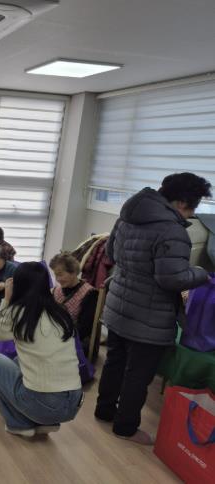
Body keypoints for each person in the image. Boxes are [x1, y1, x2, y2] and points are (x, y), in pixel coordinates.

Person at [94, 172, 211, 445]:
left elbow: (111, 254)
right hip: (149, 315)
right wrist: (201, 273)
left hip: (119, 306)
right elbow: (172, 279)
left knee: (114, 362)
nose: (192, 215)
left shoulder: (128, 215)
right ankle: (125, 428)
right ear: (182, 202)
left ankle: (104, 411)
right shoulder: (172, 230)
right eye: (193, 208)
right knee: (138, 374)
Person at [0, 262, 83, 438]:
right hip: (74, 401)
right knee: (17, 361)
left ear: (18, 285)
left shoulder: (17, 313)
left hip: (46, 404)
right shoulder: (60, 312)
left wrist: (6, 299)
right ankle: (45, 422)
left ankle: (19, 424)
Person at [49, 252, 98, 354]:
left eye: (60, 274)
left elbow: (84, 329)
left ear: (73, 272)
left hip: (77, 339)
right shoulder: (56, 291)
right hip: (56, 335)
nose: (57, 279)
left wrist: (57, 338)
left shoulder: (90, 294)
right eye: (55, 275)